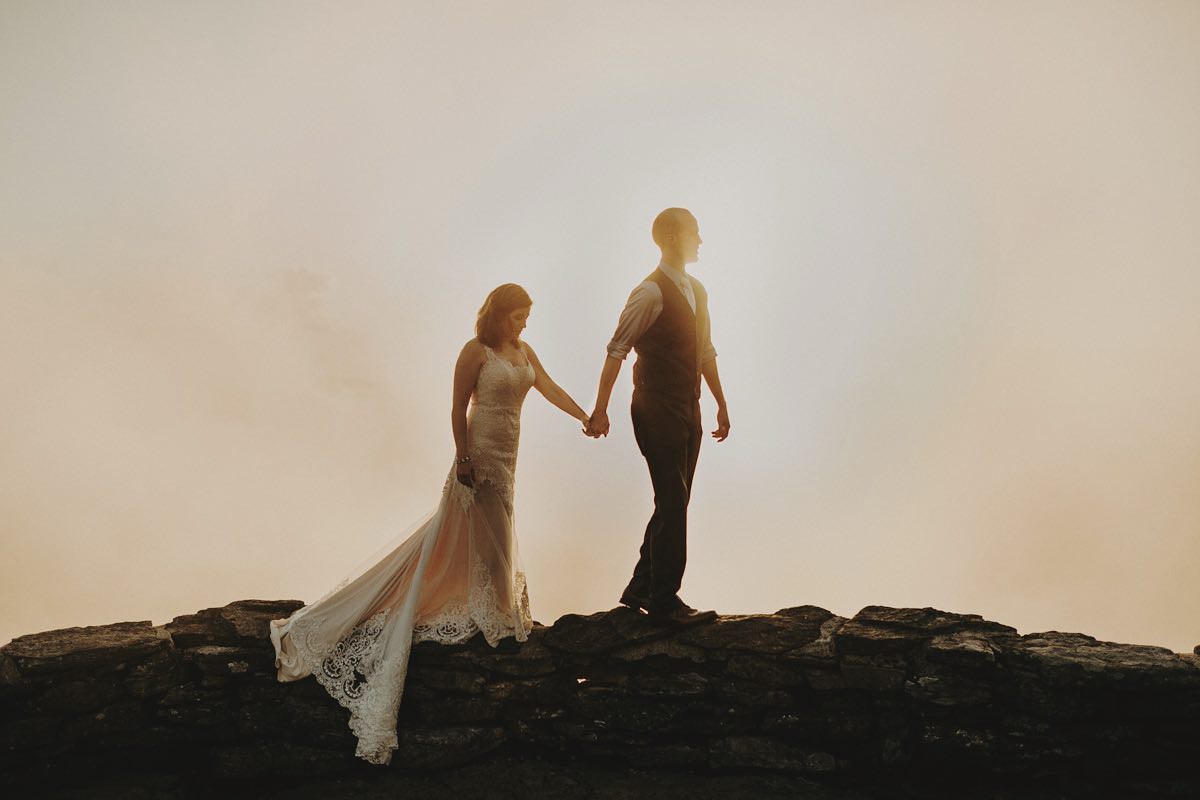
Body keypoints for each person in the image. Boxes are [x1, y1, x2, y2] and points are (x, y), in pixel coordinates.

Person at [269, 283, 591, 766]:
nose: (524, 324)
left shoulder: (524, 352)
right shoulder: (475, 351)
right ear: (498, 314)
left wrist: (584, 415)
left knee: (486, 531)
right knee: (493, 534)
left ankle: (497, 614)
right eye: (518, 316)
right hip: (479, 455)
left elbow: (547, 387)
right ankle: (500, 618)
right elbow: (458, 408)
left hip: (509, 456)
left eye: (528, 317)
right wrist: (462, 456)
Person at [585, 207, 730, 626]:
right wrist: (600, 408)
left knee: (675, 500)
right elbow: (617, 349)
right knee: (672, 500)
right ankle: (664, 600)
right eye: (694, 233)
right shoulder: (649, 293)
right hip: (654, 406)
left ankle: (640, 586)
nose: (700, 240)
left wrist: (720, 401)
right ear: (671, 238)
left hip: (690, 406)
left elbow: (705, 351)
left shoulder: (699, 290)